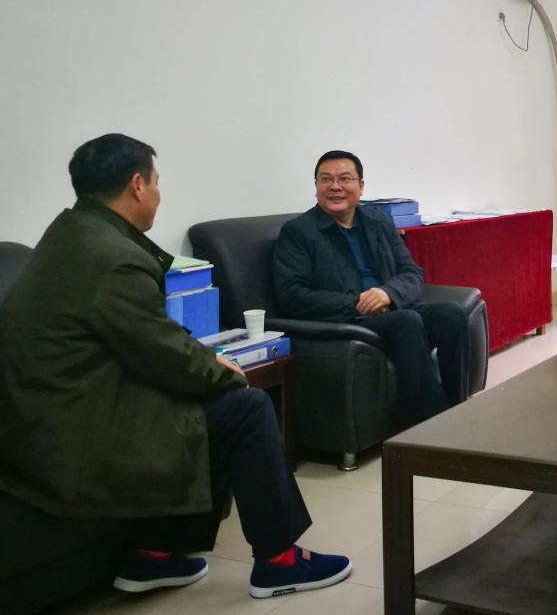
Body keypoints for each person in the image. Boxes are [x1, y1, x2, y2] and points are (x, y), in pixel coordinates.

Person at [0, 134, 351, 600]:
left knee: (208, 401)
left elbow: (141, 338)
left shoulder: (70, 233)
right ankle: (279, 562)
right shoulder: (113, 258)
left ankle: (157, 554)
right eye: (157, 182)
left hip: (50, 413)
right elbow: (162, 351)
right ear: (137, 185)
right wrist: (223, 369)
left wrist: (203, 363)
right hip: (71, 433)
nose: (158, 193)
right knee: (243, 407)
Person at [273, 150, 468, 422]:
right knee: (407, 320)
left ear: (361, 186)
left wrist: (387, 293)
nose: (335, 186)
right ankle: (429, 425)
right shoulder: (298, 232)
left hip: (391, 307)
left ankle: (459, 410)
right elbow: (291, 295)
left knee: (452, 314)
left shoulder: (377, 221)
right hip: (348, 319)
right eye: (326, 179)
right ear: (316, 187)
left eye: (345, 178)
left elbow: (411, 272)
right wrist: (357, 302)